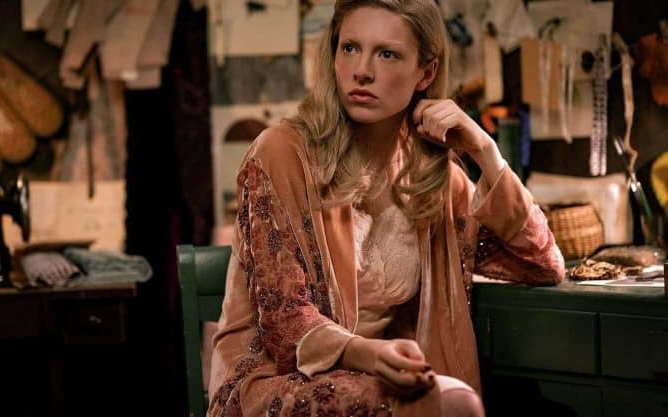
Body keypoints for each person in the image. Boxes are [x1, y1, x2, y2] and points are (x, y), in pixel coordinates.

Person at [207, 1, 565, 417]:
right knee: (452, 402)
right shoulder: (281, 153)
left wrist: (485, 150)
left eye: (387, 54)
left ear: (426, 73)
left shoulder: (435, 179)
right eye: (350, 48)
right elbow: (287, 326)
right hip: (276, 382)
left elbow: (542, 263)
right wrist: (373, 355)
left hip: (384, 376)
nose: (362, 71)